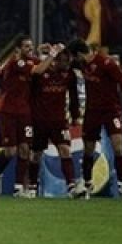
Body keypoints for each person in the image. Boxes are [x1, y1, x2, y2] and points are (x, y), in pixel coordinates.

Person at [0, 36, 61, 197]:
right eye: (26, 46)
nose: (29, 49)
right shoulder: (16, 62)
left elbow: (44, 65)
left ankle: (18, 187)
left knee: (24, 149)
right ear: (17, 49)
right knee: (10, 152)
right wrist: (52, 53)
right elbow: (39, 69)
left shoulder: (28, 60)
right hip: (7, 111)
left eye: (31, 46)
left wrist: (42, 53)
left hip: (24, 112)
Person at [68, 39, 122, 199]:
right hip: (92, 112)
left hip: (111, 111)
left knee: (118, 147)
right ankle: (88, 184)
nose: (73, 61)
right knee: (88, 149)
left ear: (78, 55)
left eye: (73, 57)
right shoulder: (81, 65)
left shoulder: (107, 63)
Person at [29, 49, 81, 198]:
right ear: (55, 60)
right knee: (36, 155)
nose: (66, 64)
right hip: (39, 120)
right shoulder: (40, 74)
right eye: (64, 61)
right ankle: (32, 186)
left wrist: (75, 115)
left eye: (68, 61)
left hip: (59, 121)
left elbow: (74, 97)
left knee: (65, 149)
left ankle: (71, 186)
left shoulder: (69, 75)